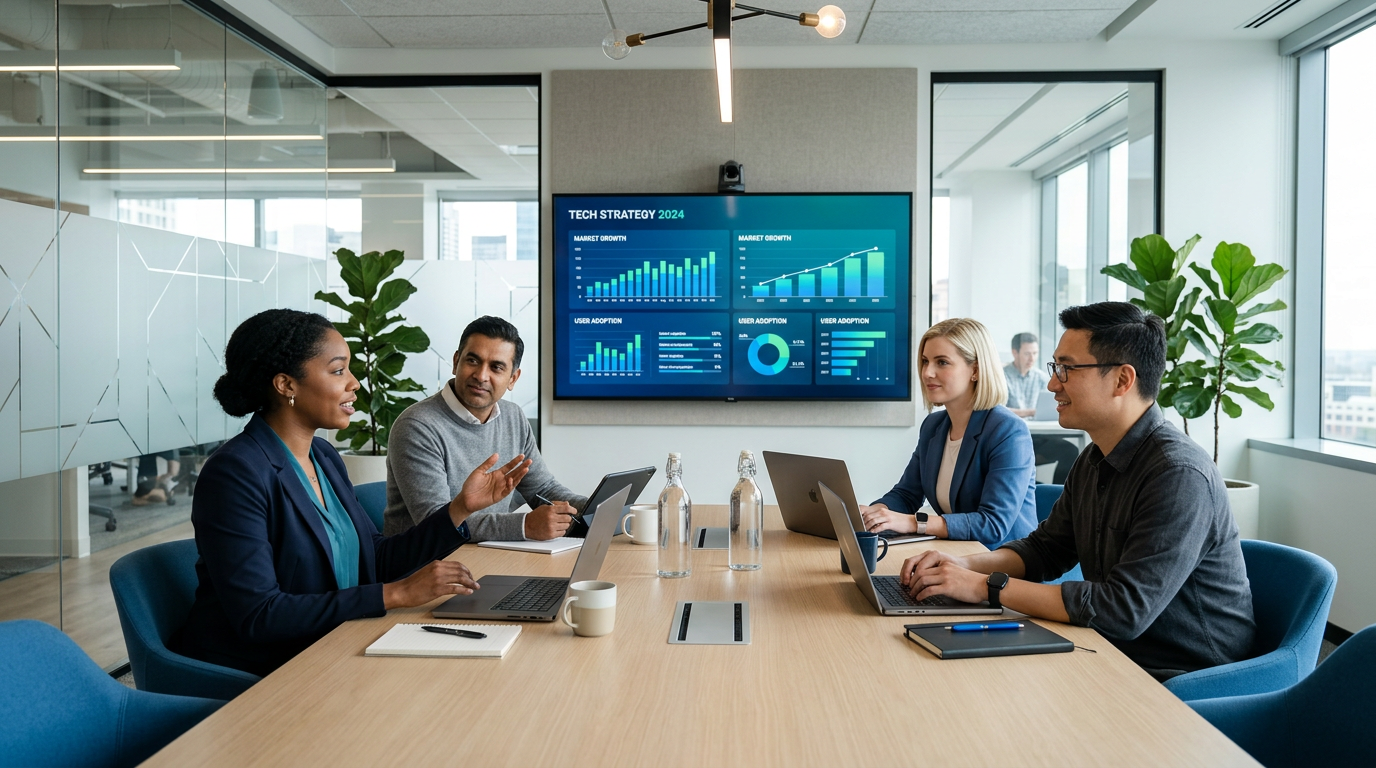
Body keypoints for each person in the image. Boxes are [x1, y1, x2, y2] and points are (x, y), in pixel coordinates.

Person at [899, 302, 1255, 681]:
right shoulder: (1093, 458)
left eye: (1066, 369)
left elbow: (1122, 611)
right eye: (1055, 368)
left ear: (1122, 380)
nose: (1052, 383)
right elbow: (1045, 550)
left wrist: (984, 586)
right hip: (1108, 647)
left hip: (1181, 674)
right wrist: (961, 567)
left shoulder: (1178, 475)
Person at [173, 309, 532, 676]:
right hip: (266, 669)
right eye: (338, 370)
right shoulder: (235, 473)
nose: (354, 383)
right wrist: (397, 594)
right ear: (286, 385)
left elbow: (374, 560)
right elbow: (260, 614)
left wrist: (459, 508)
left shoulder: (324, 456)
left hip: (336, 641)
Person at [385, 316, 587, 540]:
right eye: (472, 361)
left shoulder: (513, 416)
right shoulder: (417, 426)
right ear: (455, 362)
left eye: (496, 367)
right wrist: (524, 526)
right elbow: (434, 520)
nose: (481, 376)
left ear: (513, 379)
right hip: (424, 566)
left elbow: (544, 491)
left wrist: (595, 508)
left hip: (490, 556)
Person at [859, 318, 1037, 550]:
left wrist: (914, 522)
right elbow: (906, 495)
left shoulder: (1008, 431)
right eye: (925, 361)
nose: (927, 373)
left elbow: (993, 525)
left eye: (942, 362)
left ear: (975, 370)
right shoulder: (934, 426)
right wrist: (876, 513)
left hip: (1004, 563)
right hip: (957, 553)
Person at [1004, 331, 1079, 484]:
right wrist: (1030, 412)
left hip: (1038, 438)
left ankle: (1060, 497)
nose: (1032, 358)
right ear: (1015, 352)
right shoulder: (1001, 376)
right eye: (1027, 353)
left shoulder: (1041, 377)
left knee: (1070, 451)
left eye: (1035, 353)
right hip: (1012, 438)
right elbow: (998, 409)